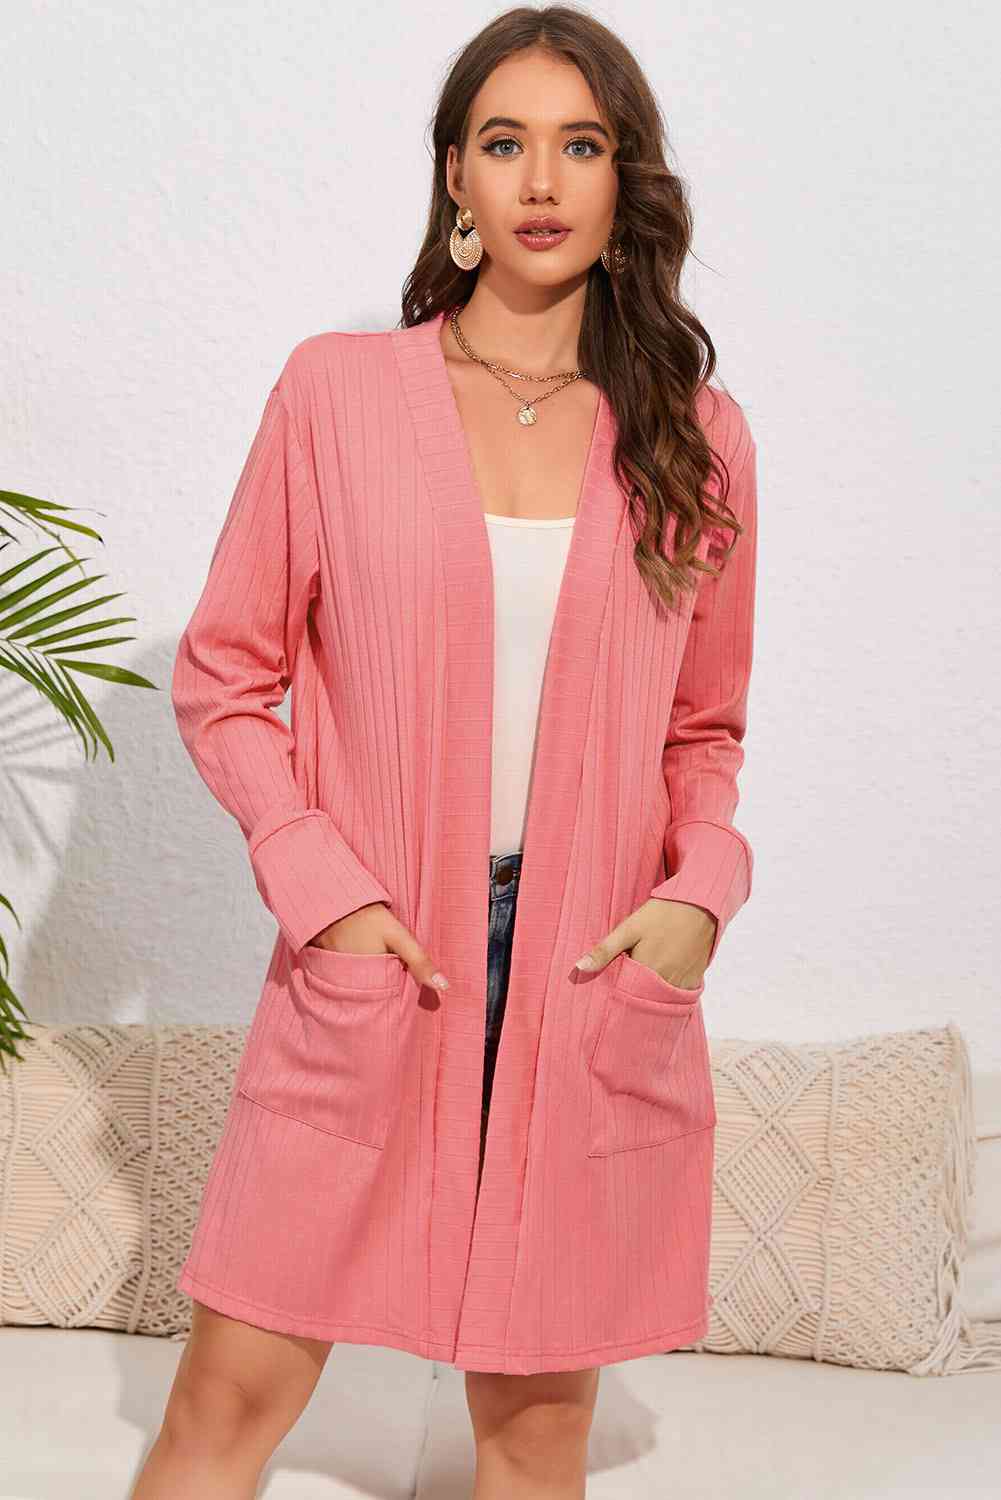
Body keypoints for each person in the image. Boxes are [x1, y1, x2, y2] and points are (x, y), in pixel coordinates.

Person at [132, 7, 758, 1497]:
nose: (541, 178)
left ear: (623, 182)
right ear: (455, 179)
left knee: (537, 1438)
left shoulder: (695, 435)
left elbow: (703, 727)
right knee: (226, 1402)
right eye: (503, 141)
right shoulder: (336, 395)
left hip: (587, 972)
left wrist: (700, 895)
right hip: (380, 957)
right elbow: (224, 676)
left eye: (580, 144)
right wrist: (322, 887)